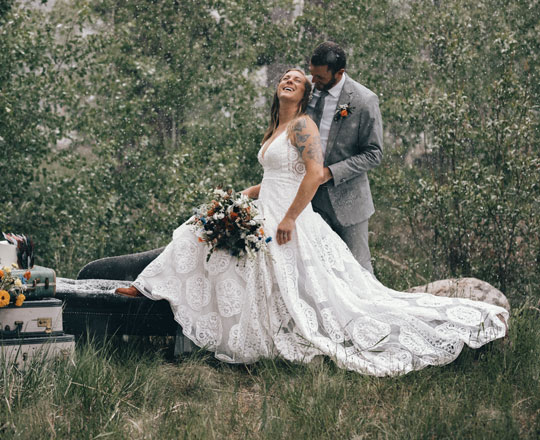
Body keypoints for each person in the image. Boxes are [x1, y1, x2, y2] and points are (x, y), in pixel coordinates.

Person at [116, 69, 507, 377]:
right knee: (200, 228)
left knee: (228, 249)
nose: (288, 81)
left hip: (288, 216)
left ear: (305, 94)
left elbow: (313, 173)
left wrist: (289, 218)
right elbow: (274, 177)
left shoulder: (303, 125)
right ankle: (157, 291)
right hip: (264, 205)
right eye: (284, 78)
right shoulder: (277, 129)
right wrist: (237, 197)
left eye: (297, 80)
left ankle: (149, 289)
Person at [306, 42, 383, 274]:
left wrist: (330, 173)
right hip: (310, 203)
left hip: (350, 202)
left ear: (339, 73)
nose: (313, 82)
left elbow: (374, 153)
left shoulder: (363, 100)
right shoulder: (307, 94)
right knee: (320, 271)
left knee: (358, 271)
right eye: (311, 74)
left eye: (319, 77)